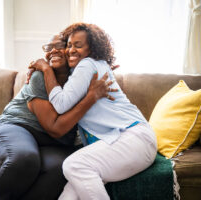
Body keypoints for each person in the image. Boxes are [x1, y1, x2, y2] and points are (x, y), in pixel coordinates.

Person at [29, 23, 157, 200]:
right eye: (69, 45)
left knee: (74, 165)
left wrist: (46, 69)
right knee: (70, 193)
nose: (72, 50)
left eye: (78, 45)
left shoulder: (87, 65)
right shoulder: (91, 67)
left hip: (132, 138)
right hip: (134, 141)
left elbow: (60, 104)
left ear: (92, 49)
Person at [0, 35, 116, 200]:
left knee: (63, 168)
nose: (53, 50)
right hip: (17, 127)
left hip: (54, 143)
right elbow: (54, 128)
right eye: (48, 47)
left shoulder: (83, 77)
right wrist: (46, 69)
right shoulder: (39, 76)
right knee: (24, 159)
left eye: (59, 45)